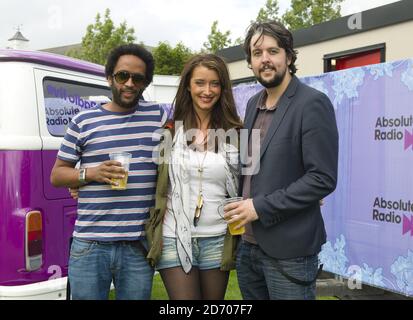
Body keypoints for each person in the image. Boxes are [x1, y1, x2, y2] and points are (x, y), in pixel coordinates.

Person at [223, 21, 339, 300]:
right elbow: (253, 168)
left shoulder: (312, 103)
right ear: (249, 62)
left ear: (288, 55)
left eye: (273, 50)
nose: (265, 59)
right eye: (257, 52)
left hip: (290, 251)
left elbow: (322, 178)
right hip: (248, 246)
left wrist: (258, 207)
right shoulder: (252, 104)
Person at [50, 44, 167, 300]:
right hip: (90, 245)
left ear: (145, 83)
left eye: (138, 78)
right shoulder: (83, 121)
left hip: (137, 245)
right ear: (109, 77)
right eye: (122, 75)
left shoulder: (159, 116)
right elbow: (57, 175)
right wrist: (90, 174)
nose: (129, 83)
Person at [146, 54, 243, 300]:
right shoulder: (169, 131)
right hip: (173, 236)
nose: (207, 90)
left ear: (223, 88)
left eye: (215, 83)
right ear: (188, 85)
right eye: (200, 82)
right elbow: (148, 175)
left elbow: (255, 178)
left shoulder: (236, 133)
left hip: (218, 237)